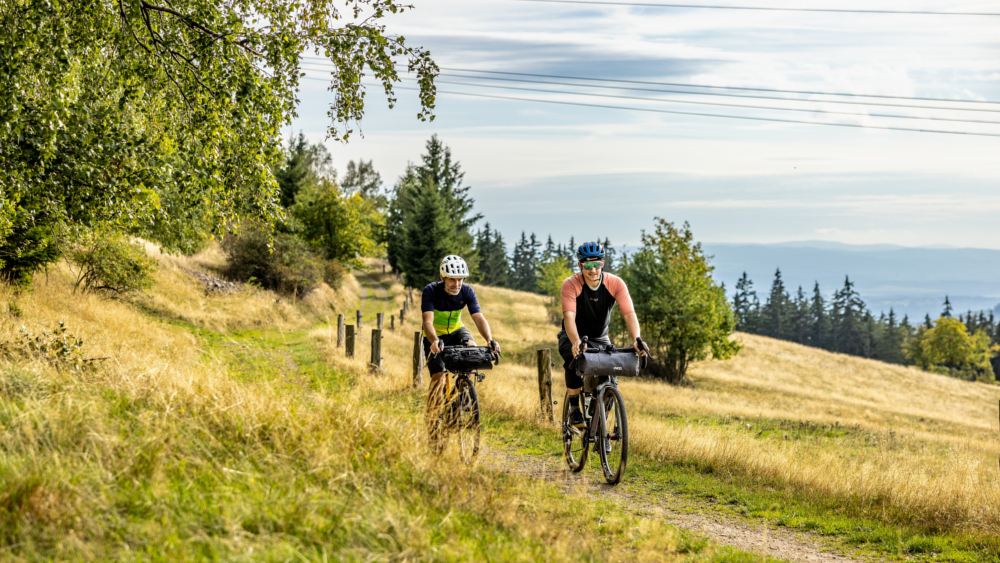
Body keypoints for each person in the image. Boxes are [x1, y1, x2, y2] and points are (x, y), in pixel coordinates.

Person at [558, 241, 646, 427]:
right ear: (580, 265)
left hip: (600, 336)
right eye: (587, 265)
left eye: (596, 264)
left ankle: (600, 422)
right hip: (574, 333)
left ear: (602, 264)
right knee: (573, 360)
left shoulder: (615, 283)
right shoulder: (570, 284)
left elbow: (629, 314)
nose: (592, 270)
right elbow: (569, 317)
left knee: (611, 374)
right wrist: (575, 341)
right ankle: (574, 410)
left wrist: (636, 339)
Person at [421, 255, 501, 437]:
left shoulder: (467, 291)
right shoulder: (431, 291)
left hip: (457, 331)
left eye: (460, 279)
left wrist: (490, 340)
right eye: (452, 279)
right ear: (442, 277)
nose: (457, 284)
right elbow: (427, 321)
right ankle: (433, 423)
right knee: (439, 377)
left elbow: (478, 317)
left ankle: (464, 389)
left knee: (472, 350)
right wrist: (434, 340)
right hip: (434, 336)